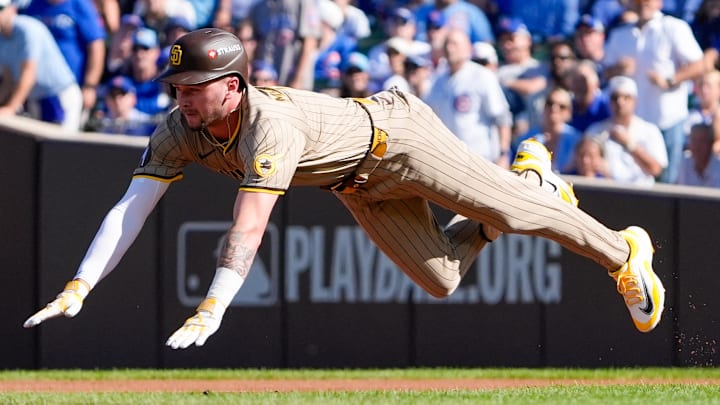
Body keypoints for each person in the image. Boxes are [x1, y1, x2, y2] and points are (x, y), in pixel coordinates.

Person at [23, 29, 666, 350]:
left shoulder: (265, 125)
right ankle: (528, 180)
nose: (182, 97)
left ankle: (622, 253)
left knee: (526, 214)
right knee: (441, 278)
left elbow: (247, 228)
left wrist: (212, 307)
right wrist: (79, 286)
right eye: (178, 88)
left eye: (195, 86)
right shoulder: (179, 129)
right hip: (357, 183)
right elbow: (130, 209)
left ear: (233, 85)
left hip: (398, 138)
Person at [603, 0, 706, 184]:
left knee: (666, 186)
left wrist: (672, 79)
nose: (643, 3)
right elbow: (605, 72)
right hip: (634, 125)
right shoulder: (620, 34)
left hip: (667, 121)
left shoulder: (674, 27)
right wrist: (618, 69)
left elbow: (700, 64)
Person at [424, 28, 512, 166]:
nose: (449, 48)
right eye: (447, 44)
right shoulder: (438, 80)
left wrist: (504, 153)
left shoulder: (481, 75)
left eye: (454, 44)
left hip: (481, 158)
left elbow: (502, 116)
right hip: (449, 159)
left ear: (467, 48)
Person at [0, 0, 82, 131]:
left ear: (12, 9)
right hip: (36, 100)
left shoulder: (27, 28)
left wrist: (10, 108)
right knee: (37, 148)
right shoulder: (1, 38)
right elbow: (8, 81)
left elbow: (29, 73)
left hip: (58, 97)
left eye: (1, 8)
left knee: (62, 147)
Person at [22, 0, 107, 125]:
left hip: (70, 89)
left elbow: (96, 45)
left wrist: (90, 86)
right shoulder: (33, 5)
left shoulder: (79, 5)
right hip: (38, 91)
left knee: (65, 140)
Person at [584, 76, 668, 186]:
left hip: (641, 194)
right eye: (615, 98)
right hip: (605, 193)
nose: (620, 102)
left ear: (635, 101)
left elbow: (656, 169)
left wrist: (630, 145)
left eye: (626, 97)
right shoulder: (595, 130)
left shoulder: (650, 131)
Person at [513, 87, 582, 174]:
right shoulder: (527, 139)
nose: (554, 109)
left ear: (569, 112)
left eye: (562, 106)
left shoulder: (577, 141)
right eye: (550, 103)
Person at [677, 122, 720, 187]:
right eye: (694, 140)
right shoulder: (684, 164)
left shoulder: (718, 167)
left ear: (710, 143)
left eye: (701, 141)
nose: (697, 146)